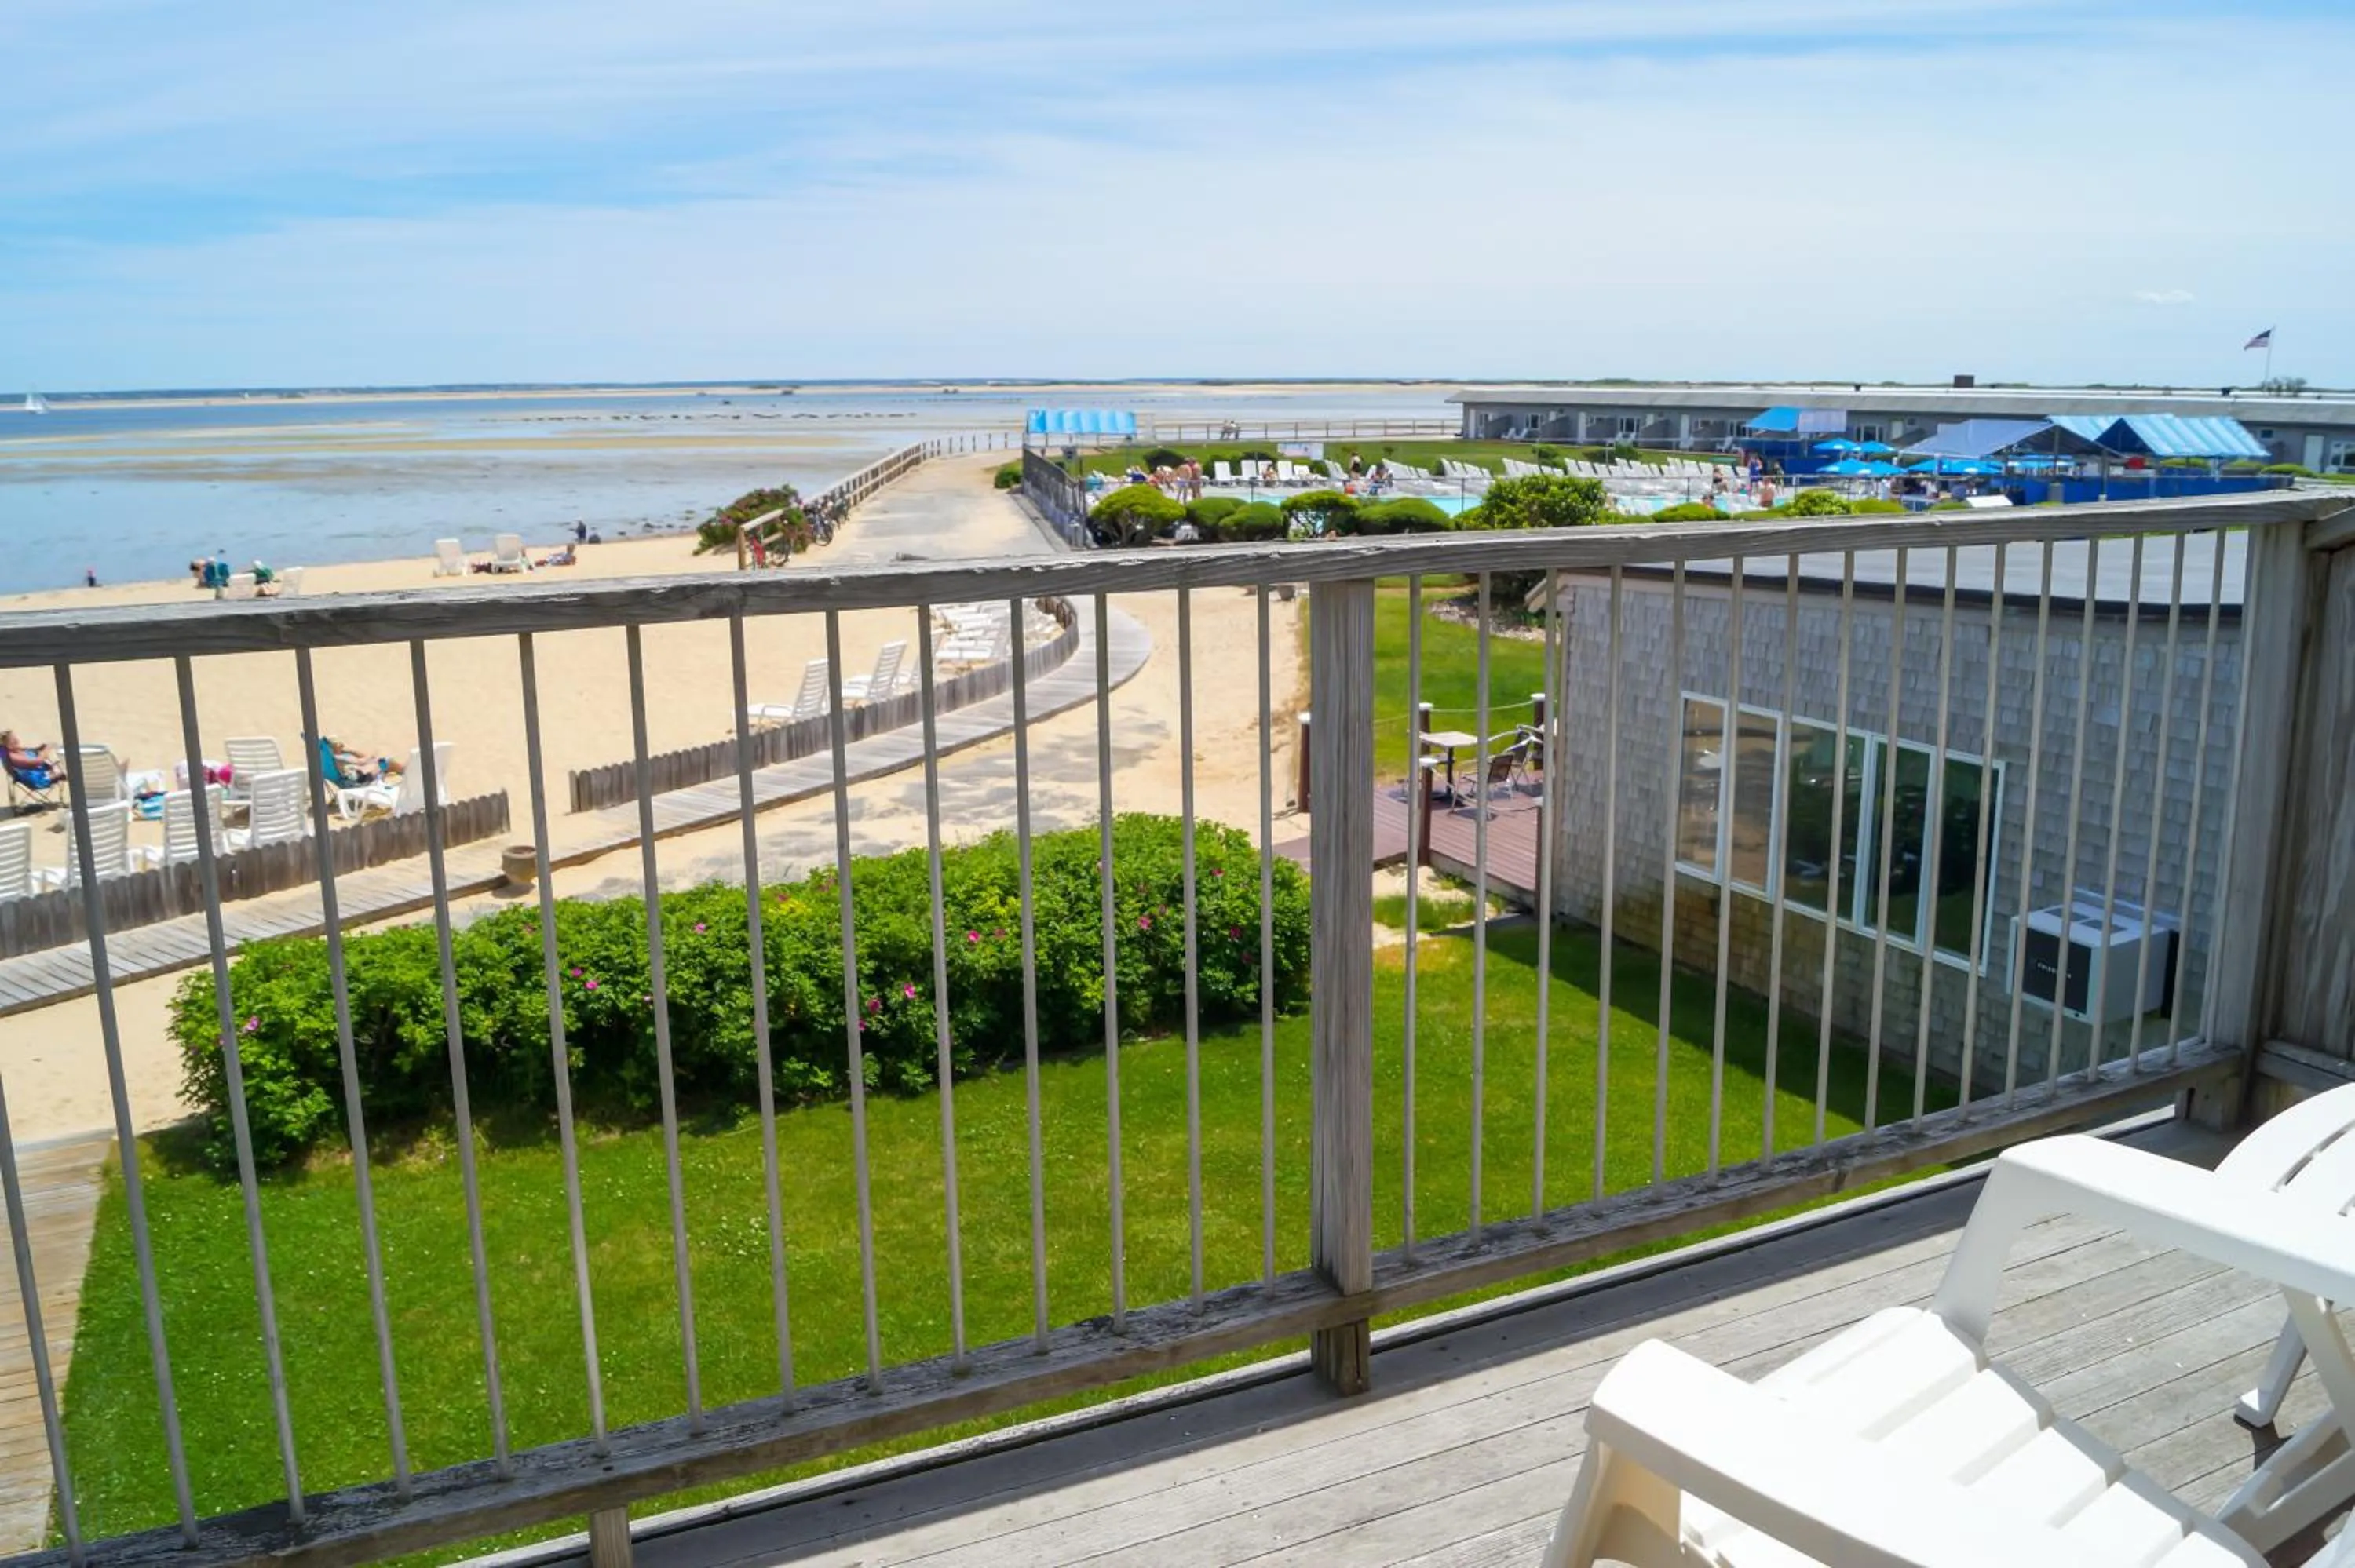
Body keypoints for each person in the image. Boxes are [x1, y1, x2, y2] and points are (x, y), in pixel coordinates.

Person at [316, 736, 402, 789]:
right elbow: (362, 761)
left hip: (350, 781)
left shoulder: (335, 758)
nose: (342, 747)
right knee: (385, 762)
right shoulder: (339, 757)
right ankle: (404, 771)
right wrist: (372, 754)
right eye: (340, 745)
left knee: (378, 763)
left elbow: (362, 759)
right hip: (357, 783)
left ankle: (402, 771)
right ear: (334, 747)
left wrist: (350, 752)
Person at [0, 732, 66, 790]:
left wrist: (37, 749)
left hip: (39, 771)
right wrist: (47, 750)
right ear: (8, 746)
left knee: (57, 759)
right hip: (38, 779)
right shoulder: (13, 757)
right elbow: (36, 762)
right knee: (64, 769)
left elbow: (22, 749)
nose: (18, 741)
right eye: (14, 741)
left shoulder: (8, 750)